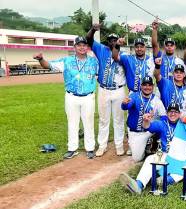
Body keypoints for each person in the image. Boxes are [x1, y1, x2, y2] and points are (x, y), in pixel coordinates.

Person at [33, 37, 98, 159]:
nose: (82, 47)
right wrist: (41, 59)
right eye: (79, 45)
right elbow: (49, 65)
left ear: (87, 47)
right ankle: (72, 148)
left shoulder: (94, 62)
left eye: (84, 45)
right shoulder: (66, 61)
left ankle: (90, 148)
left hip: (88, 96)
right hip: (71, 96)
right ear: (75, 47)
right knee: (72, 123)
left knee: (88, 123)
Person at [119, 103, 186, 194]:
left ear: (179, 113)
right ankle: (139, 185)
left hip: (180, 157)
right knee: (150, 159)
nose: (172, 114)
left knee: (183, 170)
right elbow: (147, 126)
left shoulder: (184, 124)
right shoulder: (162, 124)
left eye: (175, 112)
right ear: (166, 113)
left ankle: (163, 180)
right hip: (165, 154)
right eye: (170, 111)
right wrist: (146, 120)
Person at [86, 24, 127, 157]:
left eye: (115, 40)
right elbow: (89, 40)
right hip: (104, 89)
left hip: (118, 90)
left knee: (119, 119)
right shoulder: (101, 49)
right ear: (107, 42)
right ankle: (102, 146)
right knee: (103, 120)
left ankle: (119, 145)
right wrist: (93, 29)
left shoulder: (124, 54)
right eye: (110, 40)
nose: (112, 42)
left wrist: (120, 45)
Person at [121, 76, 166, 162]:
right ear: (141, 86)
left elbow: (164, 117)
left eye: (149, 85)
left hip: (149, 131)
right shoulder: (134, 96)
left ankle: (152, 143)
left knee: (161, 126)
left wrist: (160, 131)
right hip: (136, 132)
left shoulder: (156, 100)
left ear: (153, 87)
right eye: (145, 85)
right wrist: (124, 104)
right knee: (137, 158)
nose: (147, 87)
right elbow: (126, 106)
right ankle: (141, 144)